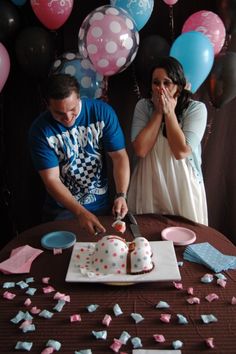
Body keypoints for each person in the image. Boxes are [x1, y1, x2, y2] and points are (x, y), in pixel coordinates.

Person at [29, 73, 130, 235]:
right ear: (47, 106)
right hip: (61, 210)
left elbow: (119, 157)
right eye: (59, 113)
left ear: (79, 98)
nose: (68, 117)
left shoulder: (102, 112)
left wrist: (121, 194)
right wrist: (80, 212)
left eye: (72, 109)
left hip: (101, 205)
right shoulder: (40, 131)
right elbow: (51, 179)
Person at [127, 56, 208, 225]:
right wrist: (158, 112)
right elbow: (141, 149)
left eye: (167, 83)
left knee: (186, 233)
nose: (160, 89)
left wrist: (169, 113)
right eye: (156, 83)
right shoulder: (144, 107)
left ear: (178, 86)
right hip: (148, 180)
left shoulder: (196, 109)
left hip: (182, 183)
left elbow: (181, 151)